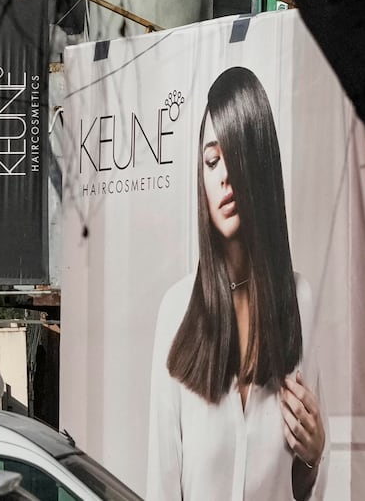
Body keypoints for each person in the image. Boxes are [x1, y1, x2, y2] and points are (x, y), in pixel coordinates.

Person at [146, 66, 326, 500]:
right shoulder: (177, 309)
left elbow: (300, 491)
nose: (223, 176)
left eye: (235, 156)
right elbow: (163, 482)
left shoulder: (298, 300)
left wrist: (313, 454)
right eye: (211, 161)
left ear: (259, 166)